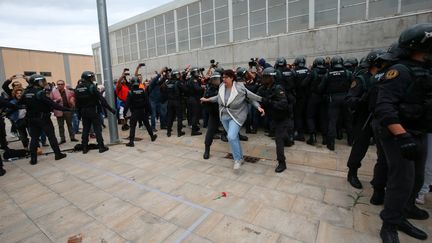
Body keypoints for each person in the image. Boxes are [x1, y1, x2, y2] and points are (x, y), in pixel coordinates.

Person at [374, 23, 431, 243]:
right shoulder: (399, 71)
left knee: (417, 178)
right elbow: (384, 107)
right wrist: (402, 135)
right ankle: (389, 224)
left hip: (419, 130)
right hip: (399, 135)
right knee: (402, 181)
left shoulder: (425, 70)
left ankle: (404, 212)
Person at [201, 69, 264, 172]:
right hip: (224, 116)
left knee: (230, 136)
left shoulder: (239, 88)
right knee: (234, 138)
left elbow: (250, 98)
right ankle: (241, 158)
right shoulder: (221, 86)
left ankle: (237, 160)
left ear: (232, 78)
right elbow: (218, 97)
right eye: (223, 77)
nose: (223, 79)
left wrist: (258, 107)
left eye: (226, 77)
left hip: (236, 116)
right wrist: (207, 99)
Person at [344, 49, 385, 189]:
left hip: (382, 117)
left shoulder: (387, 77)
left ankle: (379, 180)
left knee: (383, 152)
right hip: (365, 117)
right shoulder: (362, 79)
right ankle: (352, 173)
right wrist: (364, 98)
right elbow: (349, 100)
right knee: (360, 147)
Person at [21, 74, 69, 165]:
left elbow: (20, 103)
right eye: (42, 81)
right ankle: (58, 154)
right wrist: (67, 109)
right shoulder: (40, 92)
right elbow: (52, 104)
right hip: (43, 119)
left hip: (32, 119)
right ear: (37, 82)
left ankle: (33, 159)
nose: (44, 83)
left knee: (34, 139)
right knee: (51, 137)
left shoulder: (26, 92)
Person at [258, 67, 291, 173]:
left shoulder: (278, 88)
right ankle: (288, 140)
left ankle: (282, 163)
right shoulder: (264, 88)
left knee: (278, 139)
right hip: (273, 118)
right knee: (280, 135)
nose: (264, 79)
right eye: (264, 76)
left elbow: (283, 104)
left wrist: (270, 102)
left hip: (282, 117)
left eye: (266, 77)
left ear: (272, 77)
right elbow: (258, 97)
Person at [75, 71, 116, 154]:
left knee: (85, 129)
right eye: (92, 77)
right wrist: (111, 109)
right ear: (88, 77)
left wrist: (79, 114)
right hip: (93, 110)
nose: (93, 78)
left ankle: (84, 148)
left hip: (83, 111)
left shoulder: (78, 87)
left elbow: (77, 103)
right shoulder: (91, 86)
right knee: (97, 129)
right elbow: (102, 99)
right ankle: (101, 147)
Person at [319, 56, 353, 151]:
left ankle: (331, 144)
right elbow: (353, 86)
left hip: (333, 99)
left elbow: (321, 88)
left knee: (332, 121)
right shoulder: (348, 73)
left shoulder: (328, 74)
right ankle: (351, 141)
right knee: (348, 120)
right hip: (346, 98)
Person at [123, 77, 157, 147]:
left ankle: (131, 142)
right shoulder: (143, 91)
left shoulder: (130, 92)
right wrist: (149, 111)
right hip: (142, 111)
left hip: (135, 112)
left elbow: (127, 104)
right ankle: (152, 136)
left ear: (132, 83)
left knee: (133, 126)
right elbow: (147, 102)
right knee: (147, 124)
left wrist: (124, 113)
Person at [305, 57, 328, 145]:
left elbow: (304, 83)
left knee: (310, 116)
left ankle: (312, 137)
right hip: (324, 97)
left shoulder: (313, 72)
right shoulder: (327, 71)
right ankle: (325, 138)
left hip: (314, 97)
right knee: (323, 118)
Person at [50, 80, 78, 144]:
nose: (60, 85)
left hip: (67, 110)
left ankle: (72, 137)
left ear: (64, 85)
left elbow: (73, 97)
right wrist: (57, 100)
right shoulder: (53, 92)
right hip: (59, 111)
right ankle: (62, 139)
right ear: (57, 85)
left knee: (70, 125)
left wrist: (72, 101)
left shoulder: (68, 92)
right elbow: (51, 101)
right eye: (58, 84)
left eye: (61, 84)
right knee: (60, 126)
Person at [203, 71, 221, 159]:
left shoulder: (223, 86)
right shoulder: (209, 88)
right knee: (210, 131)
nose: (217, 81)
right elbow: (205, 100)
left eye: (218, 79)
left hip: (224, 112)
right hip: (214, 113)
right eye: (215, 79)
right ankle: (207, 150)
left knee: (232, 131)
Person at [292, 56, 311, 141]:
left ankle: (300, 134)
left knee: (298, 116)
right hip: (309, 97)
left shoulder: (294, 72)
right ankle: (309, 132)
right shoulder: (308, 71)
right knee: (308, 115)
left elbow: (292, 85)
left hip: (298, 97)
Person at [163, 69, 186, 137]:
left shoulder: (167, 83)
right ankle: (179, 132)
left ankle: (168, 132)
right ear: (174, 75)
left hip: (170, 102)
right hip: (177, 101)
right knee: (179, 117)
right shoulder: (178, 82)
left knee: (170, 117)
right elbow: (185, 89)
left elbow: (164, 90)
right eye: (177, 74)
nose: (178, 76)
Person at [186, 67, 204, 136]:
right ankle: (193, 131)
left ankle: (195, 127)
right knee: (195, 115)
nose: (198, 73)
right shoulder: (194, 80)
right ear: (193, 73)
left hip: (192, 99)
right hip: (194, 99)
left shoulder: (192, 79)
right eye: (196, 72)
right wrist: (203, 88)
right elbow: (197, 89)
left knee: (194, 114)